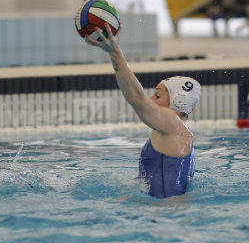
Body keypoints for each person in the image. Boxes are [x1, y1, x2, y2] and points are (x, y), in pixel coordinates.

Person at [85, 23, 201, 199]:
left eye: (157, 96)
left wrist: (115, 53)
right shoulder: (177, 131)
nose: (150, 100)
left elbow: (136, 98)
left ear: (176, 104)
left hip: (164, 215)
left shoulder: (173, 124)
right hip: (166, 211)